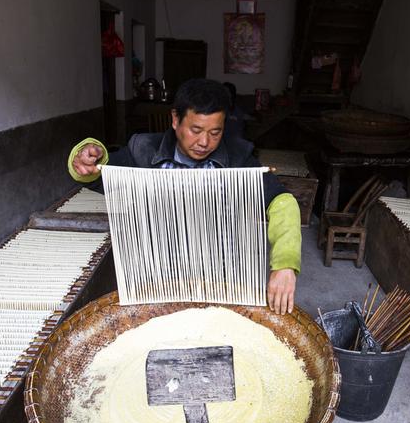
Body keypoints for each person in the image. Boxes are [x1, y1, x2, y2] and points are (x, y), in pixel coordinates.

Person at [68, 78, 301, 314]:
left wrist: (285, 264)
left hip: (217, 273)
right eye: (196, 130)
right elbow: (101, 175)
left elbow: (282, 202)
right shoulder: (143, 152)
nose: (204, 142)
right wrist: (86, 159)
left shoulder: (238, 160)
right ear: (175, 120)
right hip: (154, 272)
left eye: (215, 132)